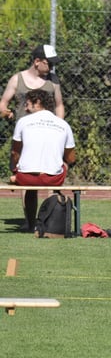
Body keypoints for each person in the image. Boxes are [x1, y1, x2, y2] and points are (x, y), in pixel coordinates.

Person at [10, 89, 76, 232]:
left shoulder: (23, 122)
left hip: (26, 178)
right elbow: (71, 158)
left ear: (38, 102)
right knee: (63, 164)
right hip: (53, 179)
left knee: (29, 182)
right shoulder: (63, 124)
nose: (25, 108)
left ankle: (30, 224)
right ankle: (53, 217)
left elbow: (15, 152)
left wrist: (14, 169)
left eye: (27, 104)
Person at [1, 44, 65, 120]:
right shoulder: (17, 79)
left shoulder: (53, 79)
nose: (51, 68)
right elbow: (3, 102)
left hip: (47, 126)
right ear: (37, 61)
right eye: (50, 64)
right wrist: (5, 111)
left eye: (53, 65)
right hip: (24, 126)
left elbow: (59, 105)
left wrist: (60, 123)